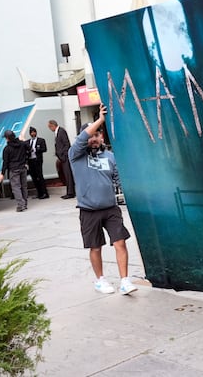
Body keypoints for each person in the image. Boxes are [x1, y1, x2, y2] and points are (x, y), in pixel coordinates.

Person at [68, 103, 137, 295]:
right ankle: (101, 280)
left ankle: (124, 280)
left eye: (97, 135)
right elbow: (82, 139)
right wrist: (99, 119)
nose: (93, 139)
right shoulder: (75, 156)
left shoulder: (111, 157)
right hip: (88, 210)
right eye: (90, 136)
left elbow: (119, 180)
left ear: (102, 136)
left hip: (110, 208)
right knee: (95, 247)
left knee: (120, 241)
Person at [0, 130, 30, 212]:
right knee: (24, 186)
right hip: (23, 168)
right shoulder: (22, 144)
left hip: (14, 170)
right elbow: (30, 149)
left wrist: (2, 173)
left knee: (16, 188)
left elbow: (5, 162)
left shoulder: (7, 149)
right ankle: (25, 204)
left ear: (7, 138)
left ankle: (21, 205)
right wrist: (24, 140)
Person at [47, 119, 76, 199]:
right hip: (62, 157)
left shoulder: (61, 131)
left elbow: (66, 144)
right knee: (66, 175)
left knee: (68, 175)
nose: (50, 129)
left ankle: (71, 193)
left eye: (50, 127)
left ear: (52, 125)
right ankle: (69, 192)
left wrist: (63, 155)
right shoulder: (57, 132)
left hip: (65, 158)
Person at [27, 127, 49, 199]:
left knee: (40, 176)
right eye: (31, 132)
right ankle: (39, 193)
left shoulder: (41, 140)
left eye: (34, 132)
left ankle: (45, 193)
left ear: (36, 132)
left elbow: (44, 149)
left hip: (37, 160)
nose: (33, 134)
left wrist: (36, 149)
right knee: (34, 177)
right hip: (30, 161)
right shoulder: (27, 142)